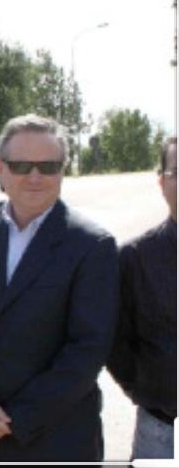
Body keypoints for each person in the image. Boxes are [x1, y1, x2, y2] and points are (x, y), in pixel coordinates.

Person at [0, 113, 119, 462]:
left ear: (63, 170)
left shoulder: (93, 245)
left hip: (53, 440)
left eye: (48, 166)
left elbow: (87, 349)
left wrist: (10, 421)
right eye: (20, 166)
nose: (35, 177)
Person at [107, 136, 176, 459]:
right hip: (162, 433)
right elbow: (116, 341)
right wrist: (150, 390)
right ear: (162, 182)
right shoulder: (134, 258)